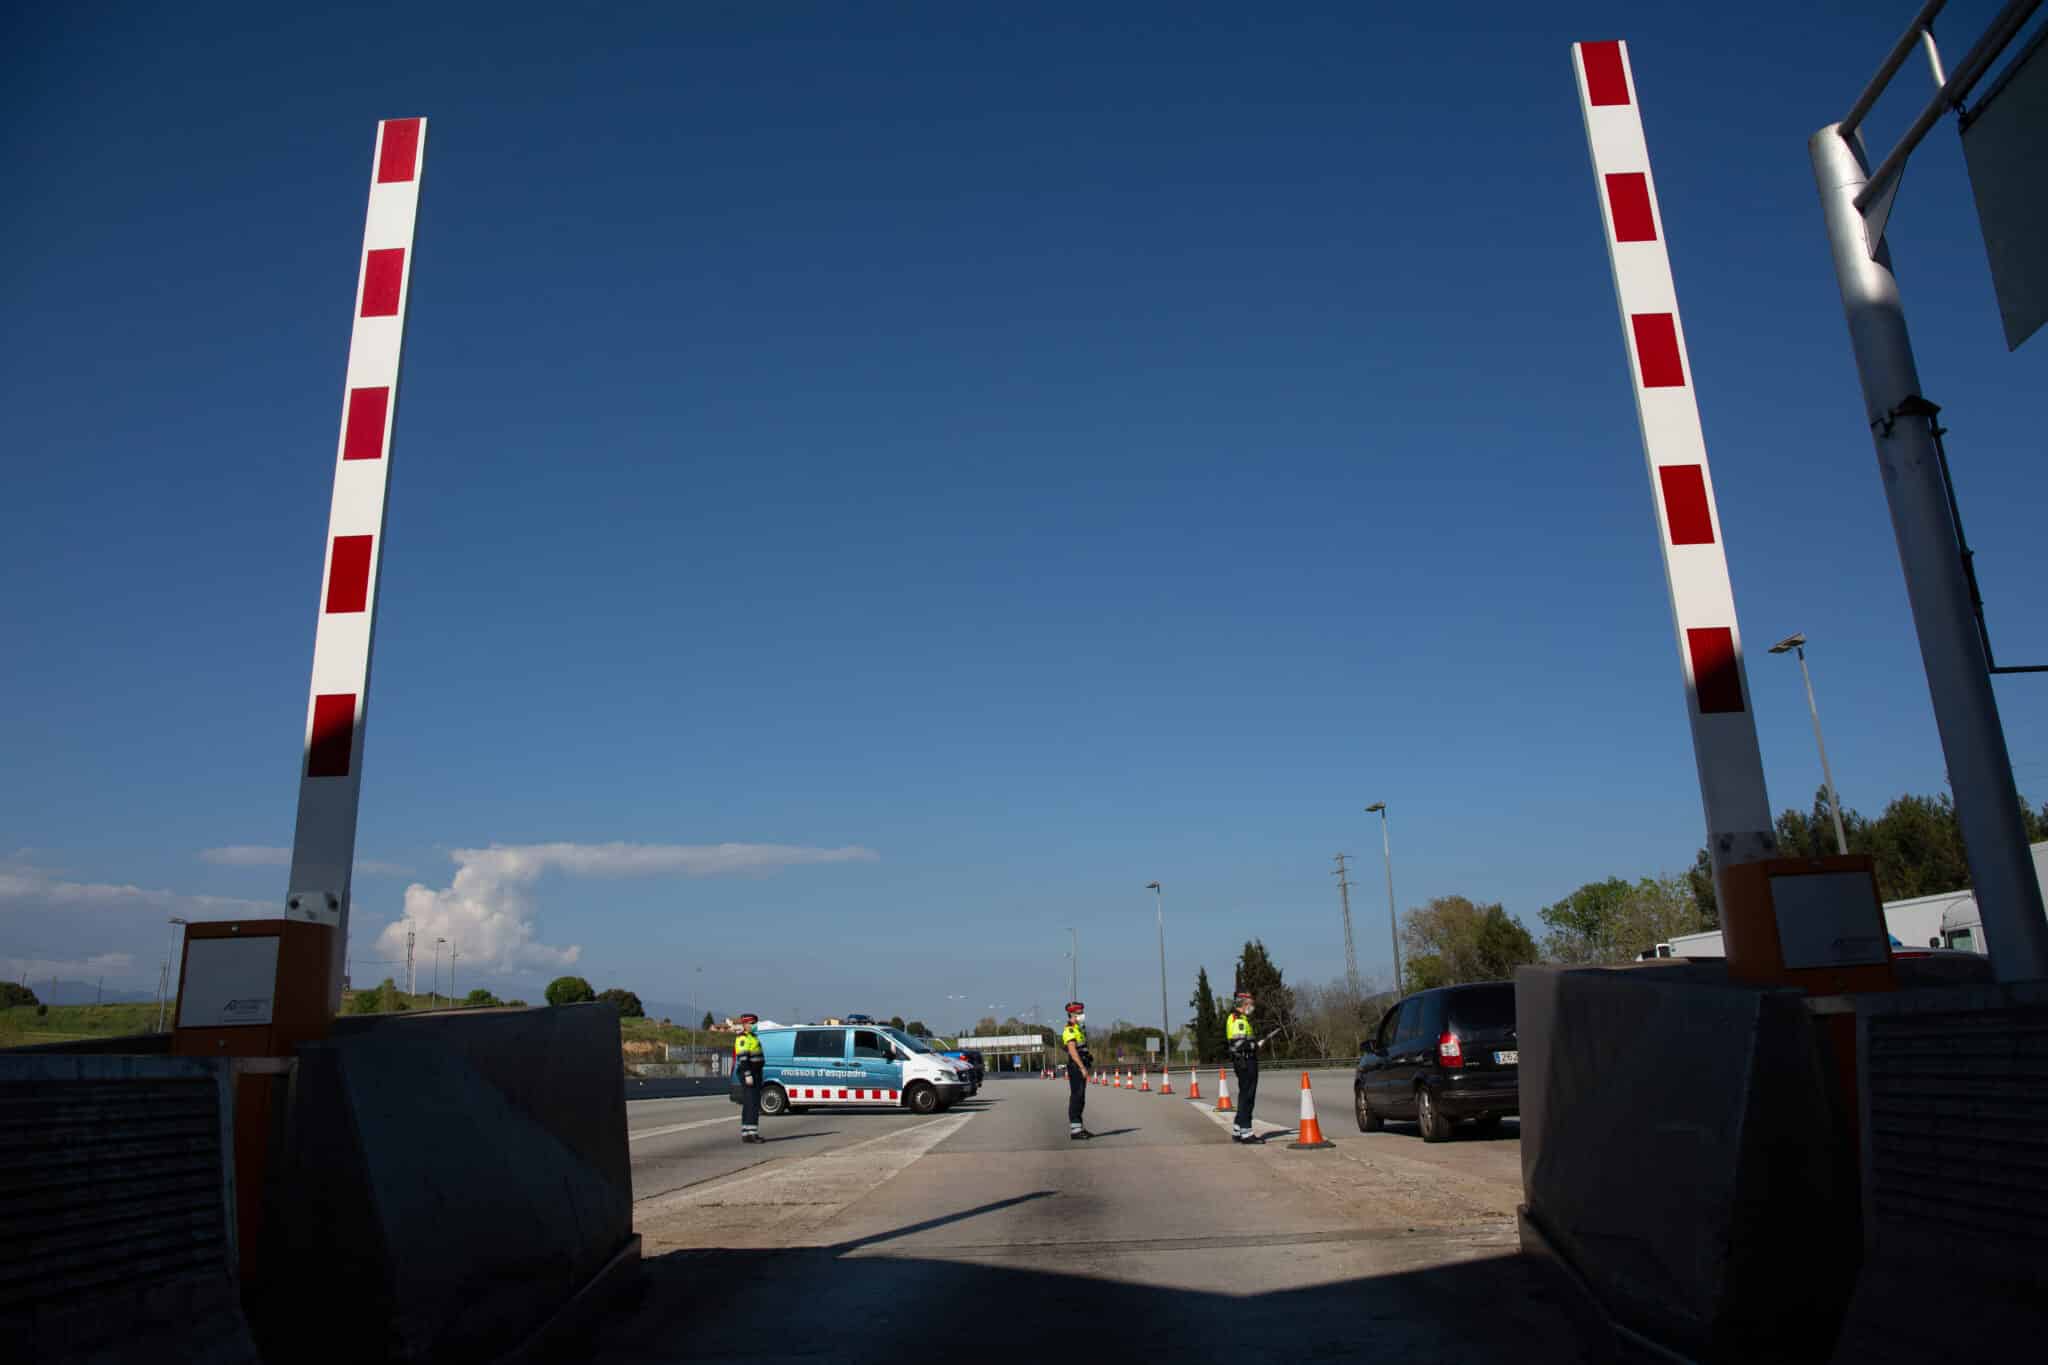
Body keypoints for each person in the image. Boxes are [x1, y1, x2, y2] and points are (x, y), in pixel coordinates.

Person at [1226, 990, 1267, 1143]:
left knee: (1244, 1095)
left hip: (1242, 1061)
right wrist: (1256, 1045)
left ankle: (1238, 1129)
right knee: (1248, 1097)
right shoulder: (1239, 1021)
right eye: (1250, 1004)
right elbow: (1239, 1043)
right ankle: (1246, 1133)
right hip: (1246, 1061)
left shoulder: (1235, 1018)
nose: (1252, 1007)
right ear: (1242, 1004)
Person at [1061, 1001, 1095, 1140]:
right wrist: (1082, 1068)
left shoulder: (1078, 1029)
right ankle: (1075, 1130)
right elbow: (1073, 1051)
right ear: (1073, 1014)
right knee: (1076, 1097)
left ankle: (1079, 1127)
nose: (1082, 1015)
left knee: (1081, 1098)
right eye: (1080, 1013)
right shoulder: (1069, 1030)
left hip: (1080, 1065)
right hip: (1076, 1067)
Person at [733, 1012, 765, 1143]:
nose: (755, 1025)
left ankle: (747, 1133)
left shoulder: (753, 1037)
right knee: (751, 1104)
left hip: (756, 1073)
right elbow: (743, 1058)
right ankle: (751, 1134)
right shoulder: (743, 1038)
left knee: (752, 1103)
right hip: (749, 1073)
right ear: (745, 1024)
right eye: (752, 1024)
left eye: (755, 1023)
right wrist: (747, 1074)